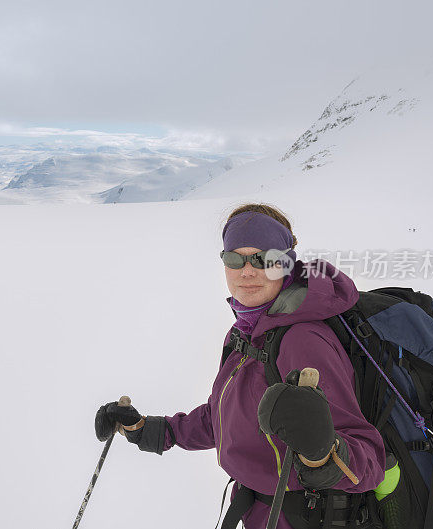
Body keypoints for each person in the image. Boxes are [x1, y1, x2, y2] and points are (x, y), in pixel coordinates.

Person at [95, 204, 386, 529]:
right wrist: (153, 430)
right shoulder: (243, 333)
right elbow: (228, 417)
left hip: (301, 516)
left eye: (263, 259)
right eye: (235, 259)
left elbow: (371, 464)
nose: (246, 272)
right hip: (256, 510)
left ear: (285, 265)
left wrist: (322, 452)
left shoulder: (302, 340)